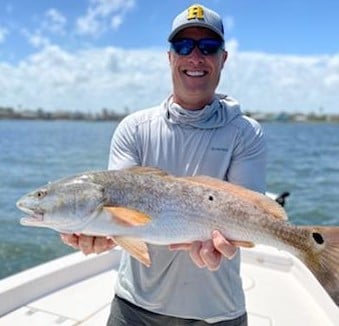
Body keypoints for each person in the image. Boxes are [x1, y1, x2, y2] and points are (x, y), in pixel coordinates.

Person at [61, 4, 266, 325]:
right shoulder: (134, 128)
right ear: (169, 56)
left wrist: (223, 245)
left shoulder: (246, 132)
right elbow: (119, 208)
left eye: (208, 47)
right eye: (183, 46)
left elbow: (250, 213)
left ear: (223, 58)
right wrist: (99, 233)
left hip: (218, 310)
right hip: (133, 306)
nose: (195, 57)